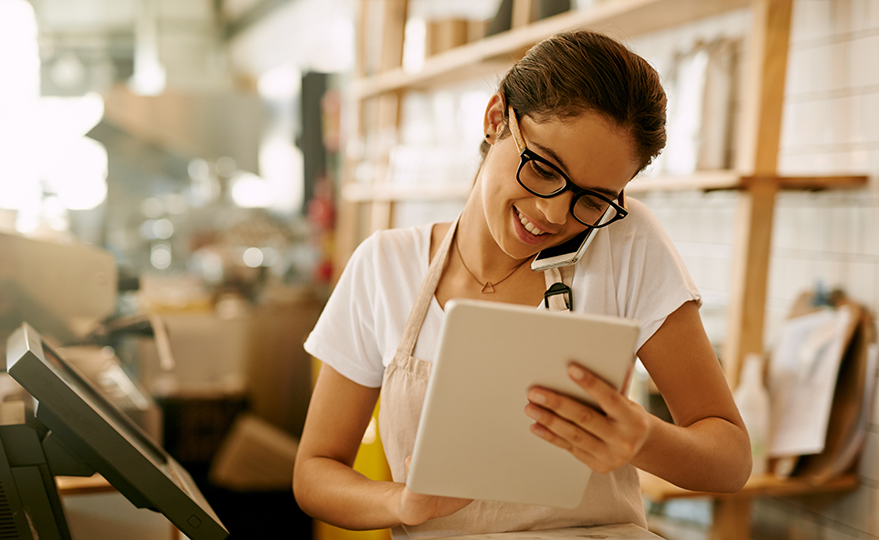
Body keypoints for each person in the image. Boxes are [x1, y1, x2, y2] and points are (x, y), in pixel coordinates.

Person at [293, 30, 751, 537]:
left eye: (593, 200)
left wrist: (643, 439)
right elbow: (315, 472)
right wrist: (402, 503)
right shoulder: (384, 266)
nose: (554, 213)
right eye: (545, 168)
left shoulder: (626, 241)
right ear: (495, 119)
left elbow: (730, 459)